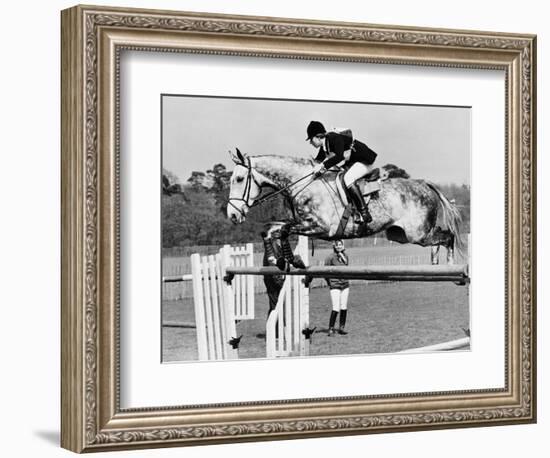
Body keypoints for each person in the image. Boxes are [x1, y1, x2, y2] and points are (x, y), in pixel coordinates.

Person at [306, 120, 377, 224]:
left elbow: (339, 157)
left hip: (364, 161)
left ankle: (364, 212)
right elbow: (318, 161)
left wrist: (322, 166)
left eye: (311, 139)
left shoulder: (334, 138)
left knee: (348, 178)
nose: (310, 143)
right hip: (353, 163)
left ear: (318, 137)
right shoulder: (325, 146)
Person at [324, 239, 350, 336]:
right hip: (335, 285)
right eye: (337, 245)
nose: (339, 246)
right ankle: (331, 329)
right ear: (334, 246)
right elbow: (325, 271)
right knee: (336, 307)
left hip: (345, 285)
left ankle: (341, 328)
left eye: (340, 245)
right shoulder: (330, 257)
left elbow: (347, 268)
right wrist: (330, 282)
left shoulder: (346, 256)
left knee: (344, 307)